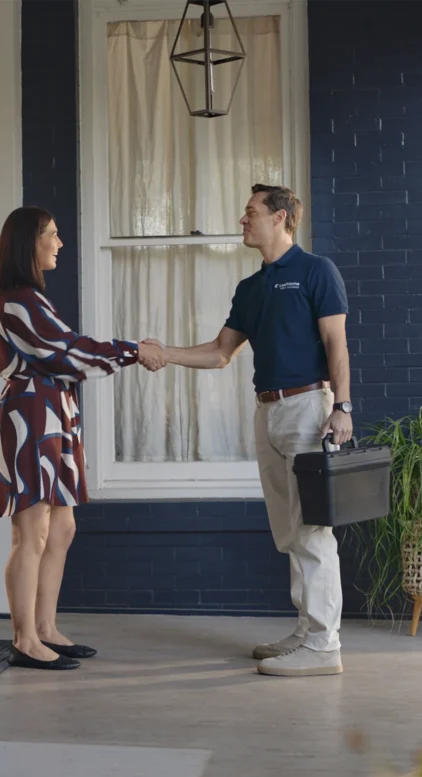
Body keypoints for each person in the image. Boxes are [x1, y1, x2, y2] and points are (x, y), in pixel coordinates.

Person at [143, 185, 352, 677]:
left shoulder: (316, 271)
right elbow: (220, 351)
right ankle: (306, 631)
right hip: (268, 413)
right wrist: (164, 353)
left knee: (313, 530)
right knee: (289, 530)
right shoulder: (251, 288)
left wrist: (342, 406)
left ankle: (325, 646)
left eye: (251, 212)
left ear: (281, 218)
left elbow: (336, 342)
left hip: (308, 408)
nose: (243, 220)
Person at [0, 207, 165, 671]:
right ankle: (24, 640)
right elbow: (66, 354)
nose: (59, 243)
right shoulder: (16, 299)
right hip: (29, 419)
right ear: (29, 244)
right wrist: (133, 351)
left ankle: (45, 629)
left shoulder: (31, 298)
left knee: (61, 528)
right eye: (53, 235)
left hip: (55, 416)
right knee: (32, 532)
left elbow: (66, 354)